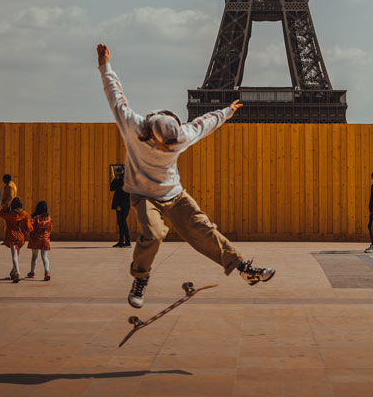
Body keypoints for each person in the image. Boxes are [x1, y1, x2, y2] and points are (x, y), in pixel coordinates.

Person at [96, 43, 275, 308]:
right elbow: (115, 95)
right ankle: (140, 279)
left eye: (172, 145)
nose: (169, 149)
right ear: (150, 134)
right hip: (144, 195)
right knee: (153, 233)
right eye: (164, 146)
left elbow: (206, 123)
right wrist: (105, 66)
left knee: (205, 230)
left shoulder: (182, 135)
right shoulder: (132, 126)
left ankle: (242, 268)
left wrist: (227, 111)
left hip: (175, 194)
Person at [0, 197, 33, 283]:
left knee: (14, 255)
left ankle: (17, 273)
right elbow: (28, 227)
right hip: (20, 236)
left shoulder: (10, 214)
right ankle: (13, 271)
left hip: (12, 235)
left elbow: (0, 213)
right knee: (17, 255)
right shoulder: (25, 214)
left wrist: (7, 206)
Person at [27, 200, 52, 280]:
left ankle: (32, 272)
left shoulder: (35, 218)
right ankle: (47, 272)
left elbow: (30, 227)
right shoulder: (49, 218)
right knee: (45, 257)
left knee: (34, 256)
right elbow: (50, 229)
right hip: (45, 239)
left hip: (36, 239)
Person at [110, 165, 131, 248]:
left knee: (123, 222)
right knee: (120, 223)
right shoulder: (118, 179)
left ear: (123, 171)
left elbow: (125, 195)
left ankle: (128, 242)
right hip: (118, 205)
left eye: (120, 171)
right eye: (118, 171)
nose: (119, 172)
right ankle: (121, 241)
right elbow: (112, 188)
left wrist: (120, 205)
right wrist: (115, 179)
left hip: (124, 205)